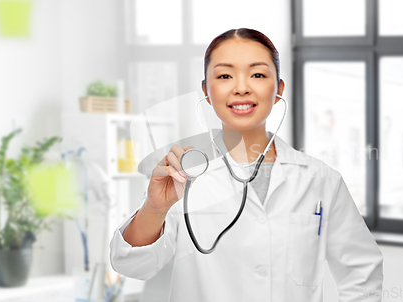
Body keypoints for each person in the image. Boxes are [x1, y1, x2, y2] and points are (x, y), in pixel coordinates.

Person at [109, 28, 383, 302]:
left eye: (258, 74)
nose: (241, 87)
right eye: (225, 75)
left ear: (278, 90)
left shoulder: (321, 179)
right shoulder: (183, 176)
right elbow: (134, 265)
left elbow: (362, 273)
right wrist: (155, 208)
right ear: (206, 90)